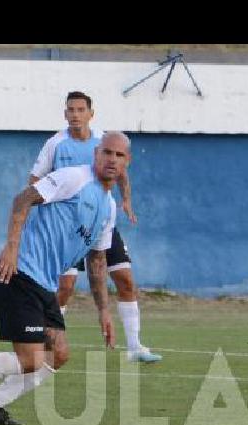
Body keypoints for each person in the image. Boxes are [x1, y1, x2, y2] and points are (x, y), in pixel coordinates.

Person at [0, 132, 125, 425]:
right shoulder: (74, 178)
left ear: (127, 162)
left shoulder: (109, 208)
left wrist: (104, 310)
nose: (112, 159)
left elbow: (98, 260)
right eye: (107, 153)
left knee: (58, 354)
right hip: (18, 272)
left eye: (119, 155)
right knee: (31, 359)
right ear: (96, 154)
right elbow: (23, 198)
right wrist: (11, 248)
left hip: (44, 284)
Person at [29, 91, 160, 364]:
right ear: (65, 114)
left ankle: (134, 346)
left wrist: (126, 199)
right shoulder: (56, 144)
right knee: (65, 287)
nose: (75, 114)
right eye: (71, 110)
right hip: (68, 229)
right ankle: (49, 339)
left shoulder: (104, 141)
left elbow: (121, 171)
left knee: (125, 279)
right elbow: (34, 181)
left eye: (80, 109)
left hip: (100, 220)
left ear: (91, 113)